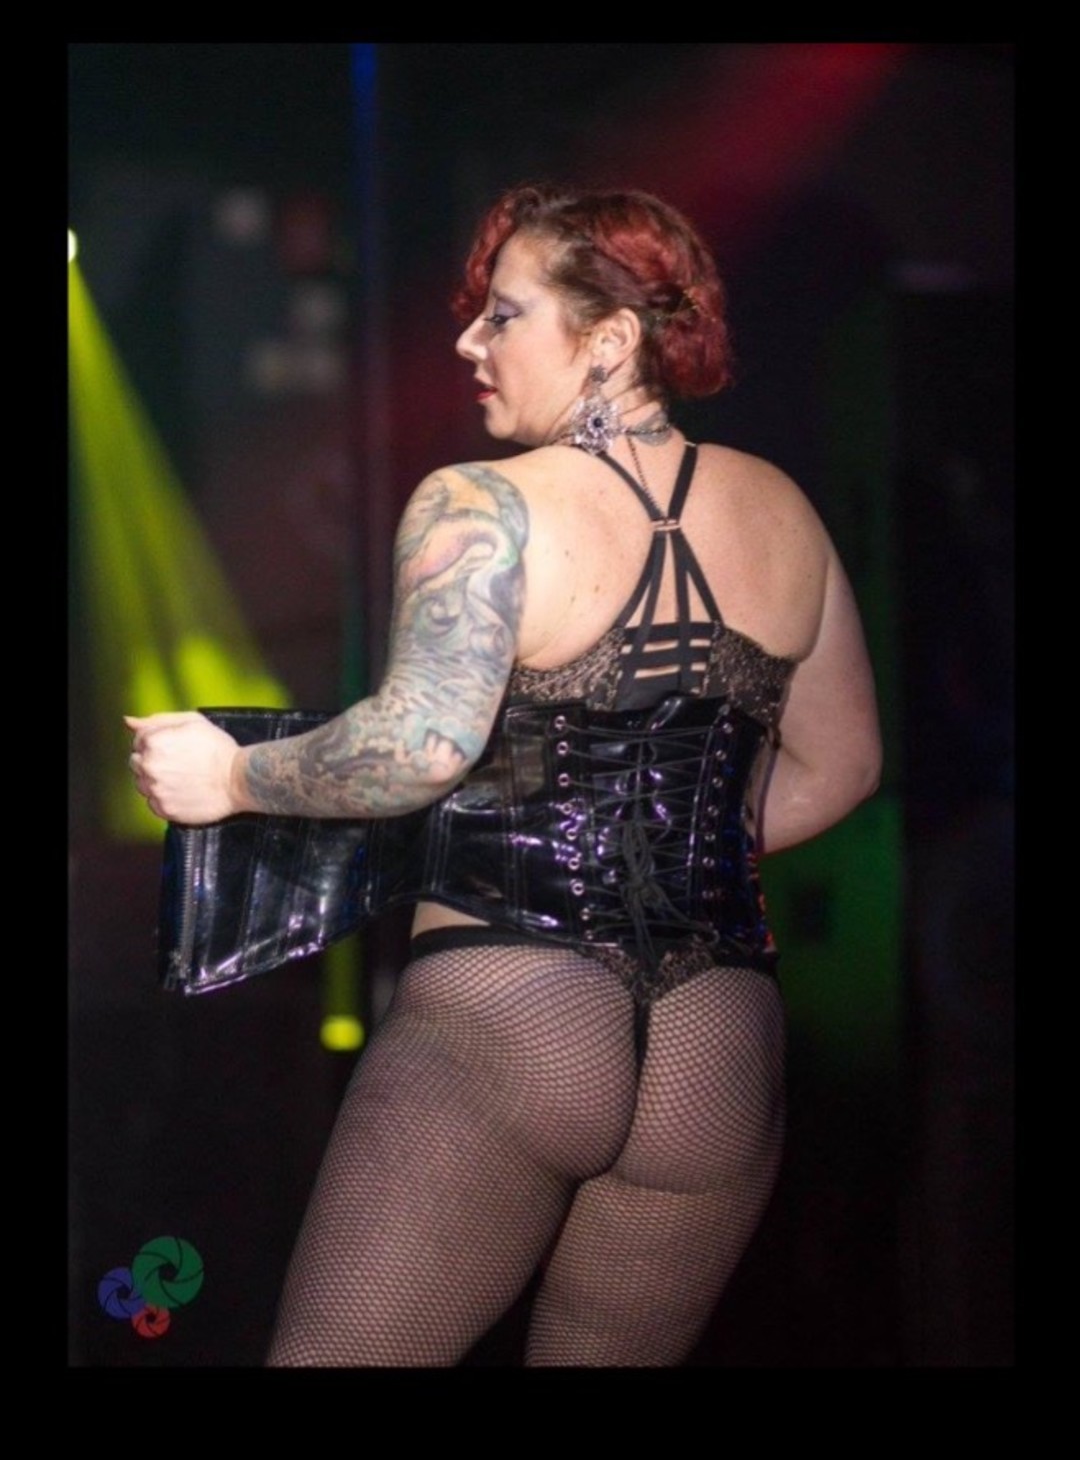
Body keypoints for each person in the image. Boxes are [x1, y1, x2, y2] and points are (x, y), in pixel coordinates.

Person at [128, 183, 881, 1366]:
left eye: (505, 314)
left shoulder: (483, 504)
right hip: (718, 1042)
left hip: (514, 1015)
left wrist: (234, 779)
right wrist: (663, 856)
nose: (469, 341)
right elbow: (843, 767)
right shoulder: (784, 512)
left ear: (611, 338)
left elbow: (421, 745)